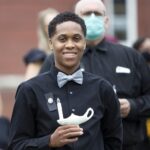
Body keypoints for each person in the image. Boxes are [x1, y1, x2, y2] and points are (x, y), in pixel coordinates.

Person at [40, 0, 150, 150]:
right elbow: (42, 99)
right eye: (86, 13)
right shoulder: (56, 60)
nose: (92, 18)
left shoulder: (131, 57)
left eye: (97, 13)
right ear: (75, 20)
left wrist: (133, 106)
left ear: (106, 21)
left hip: (129, 144)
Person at [8, 12, 122, 150]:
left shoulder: (103, 89)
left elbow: (114, 143)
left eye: (76, 38)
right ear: (51, 43)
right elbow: (16, 145)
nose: (70, 45)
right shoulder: (30, 90)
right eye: (62, 39)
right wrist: (49, 141)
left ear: (84, 43)